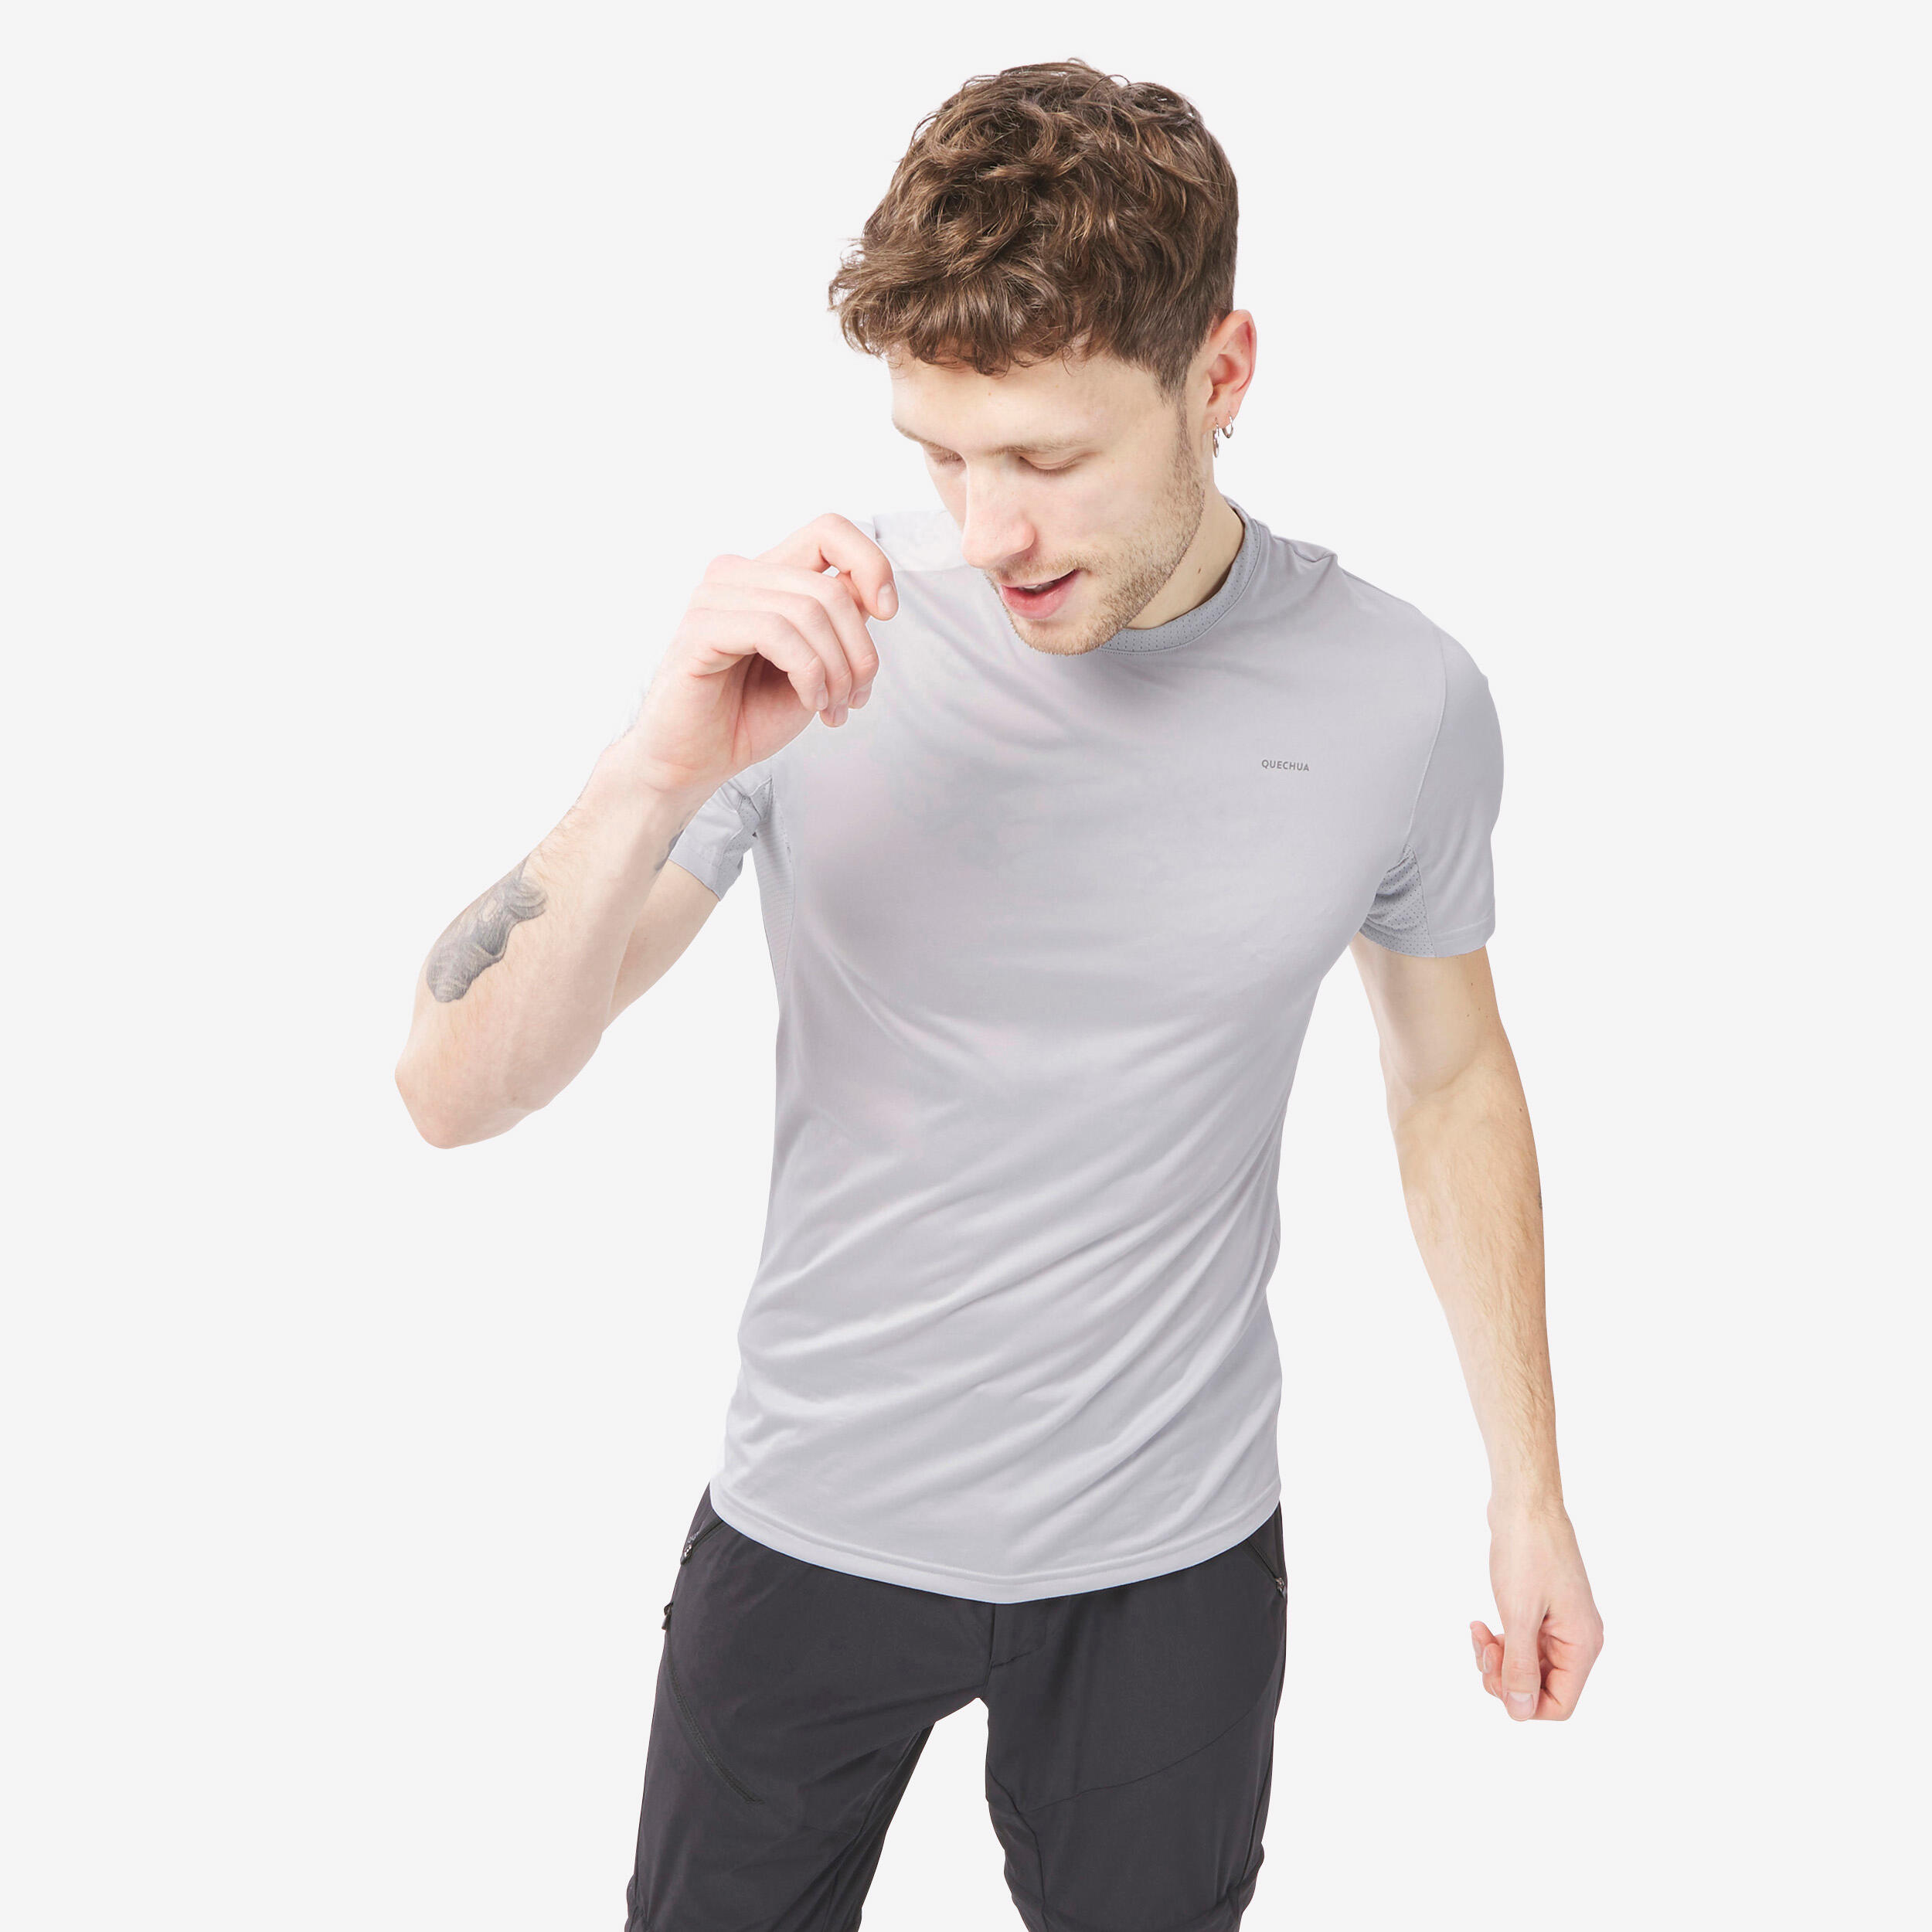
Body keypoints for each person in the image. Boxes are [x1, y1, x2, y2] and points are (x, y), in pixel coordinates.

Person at [394, 57, 1604, 1932]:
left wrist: (1527, 1487)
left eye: (1045, 460)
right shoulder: (822, 648)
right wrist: (651, 766)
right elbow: (453, 1090)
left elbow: (1448, 1073)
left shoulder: (1400, 699)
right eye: (939, 455)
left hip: (1170, 1556)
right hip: (811, 1521)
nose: (985, 532)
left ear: (1219, 372)